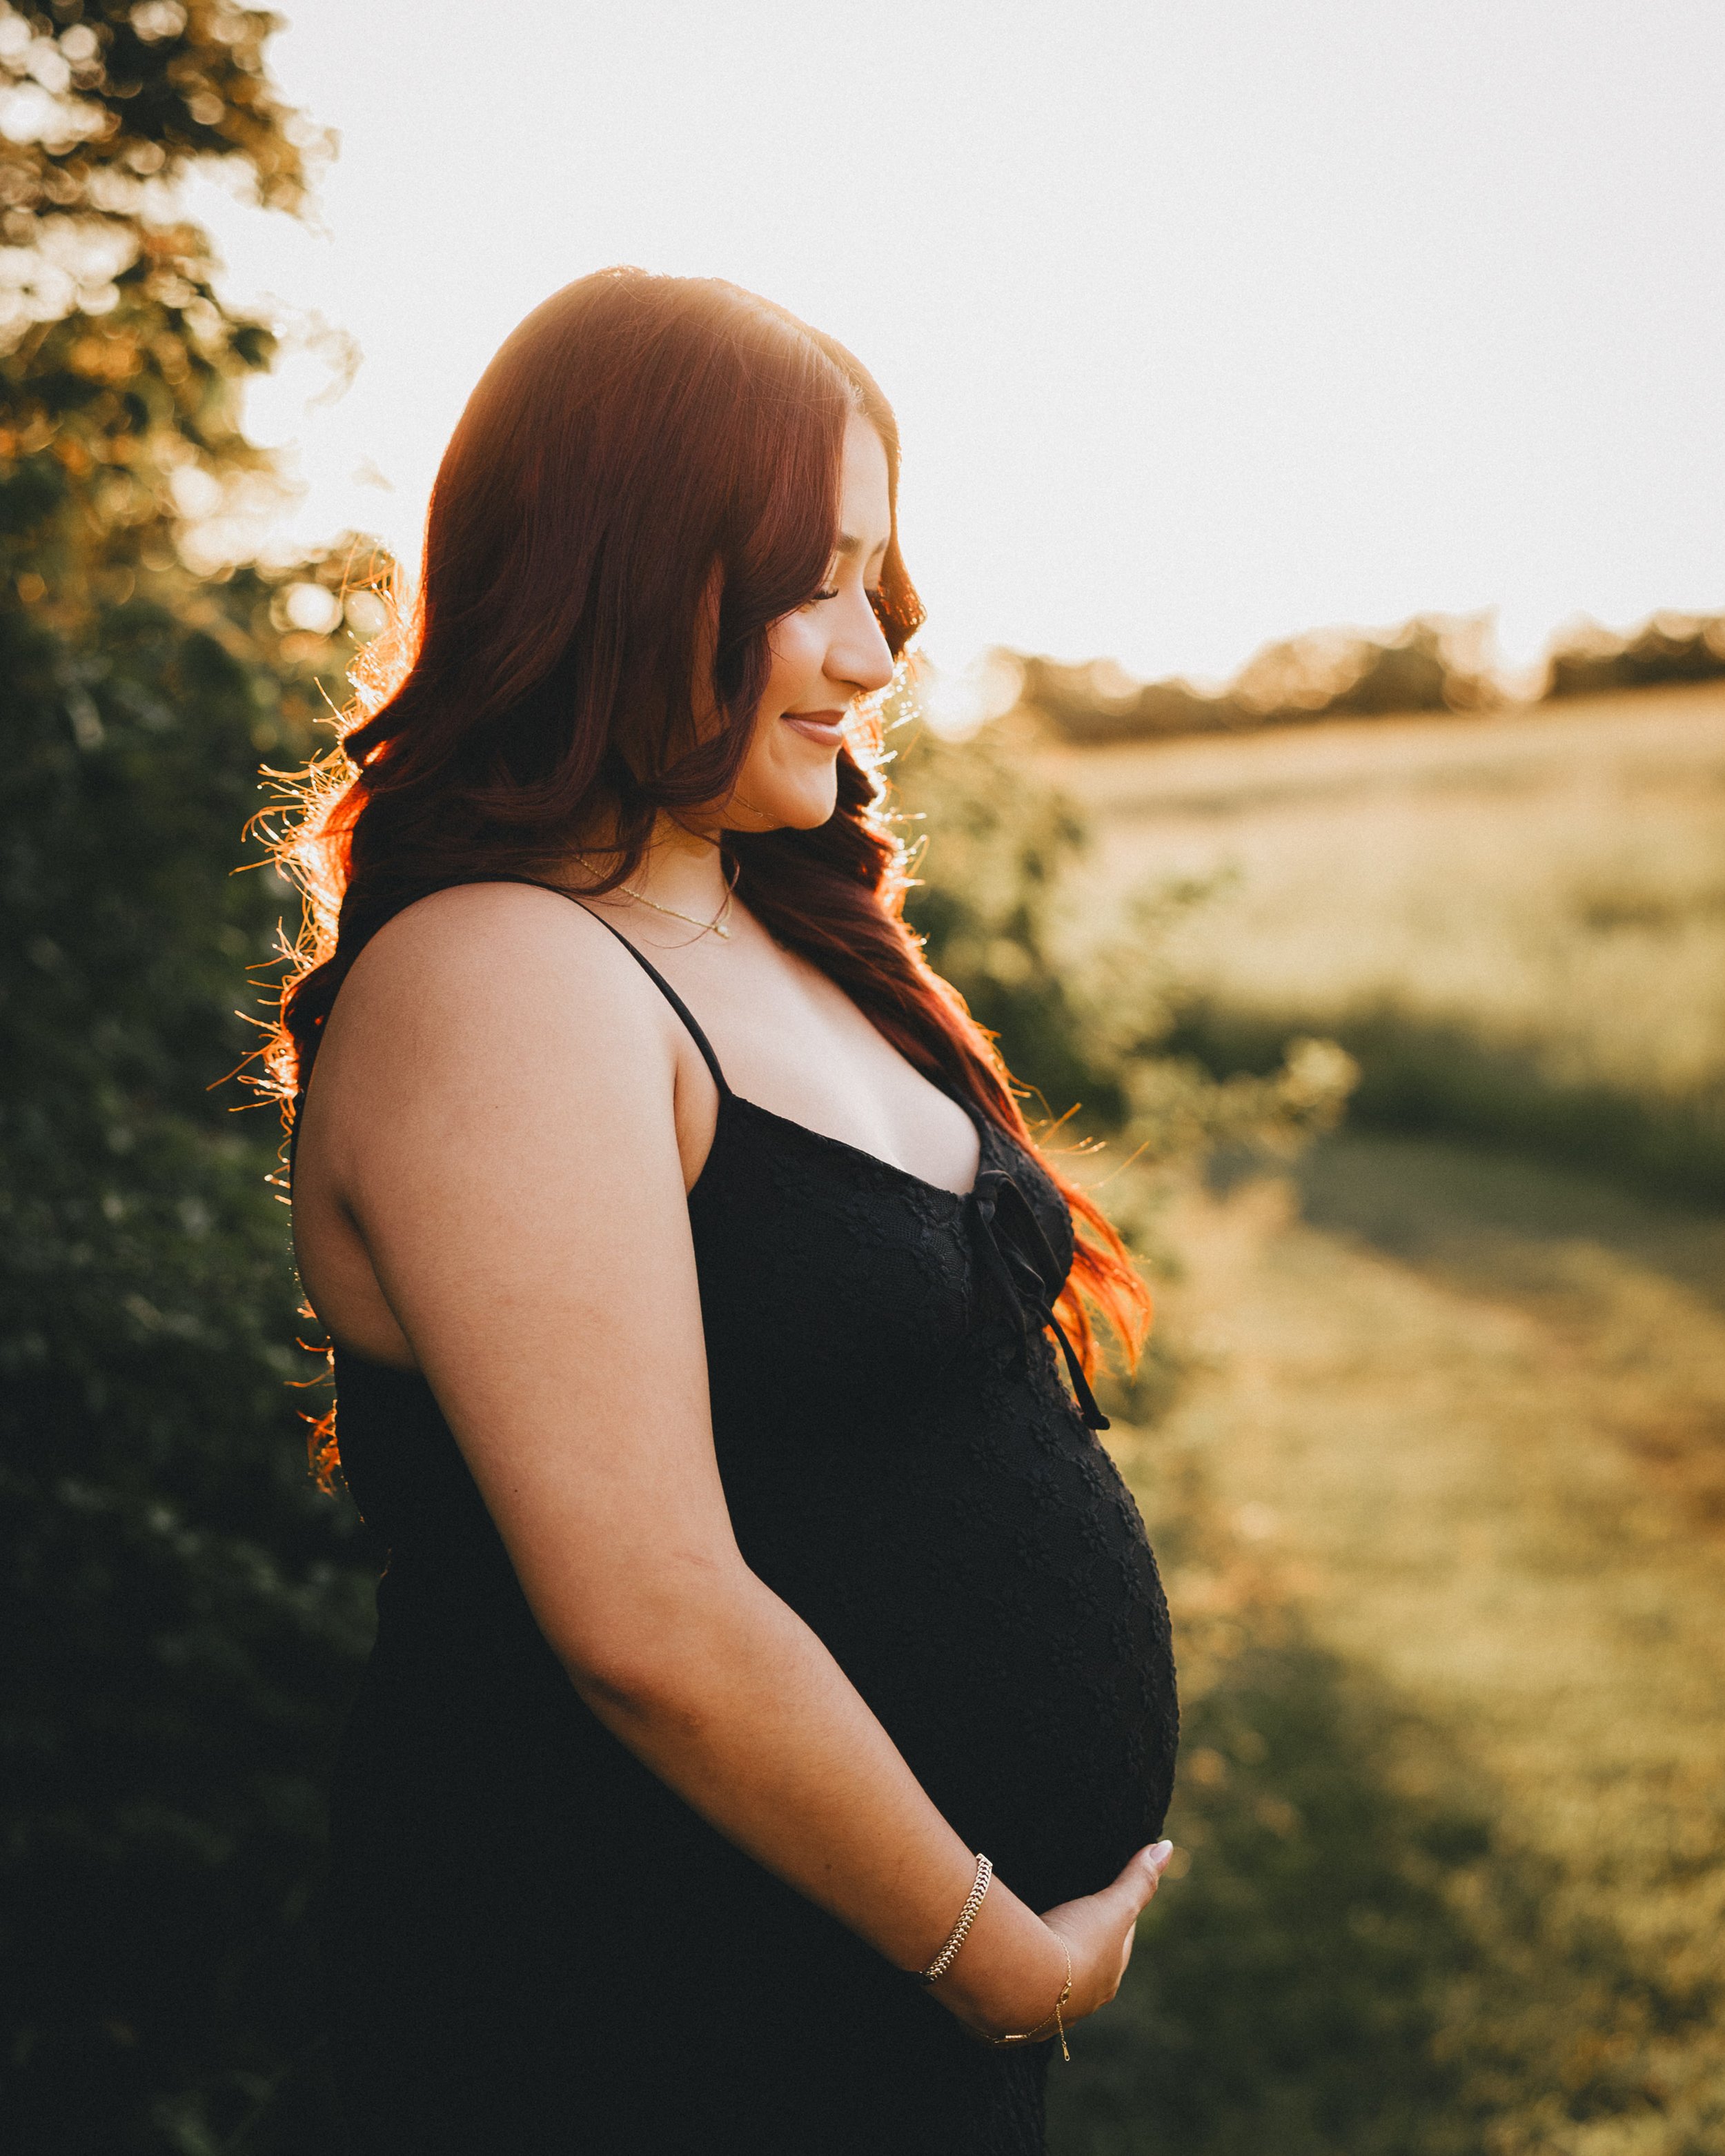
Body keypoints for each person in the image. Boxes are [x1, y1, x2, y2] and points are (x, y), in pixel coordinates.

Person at [275, 267, 1179, 2155]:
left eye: (883, 581)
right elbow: (648, 1613)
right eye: (814, 579)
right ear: (620, 572)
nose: (872, 653)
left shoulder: (770, 922)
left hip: (848, 1991)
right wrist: (987, 1962)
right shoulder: (497, 979)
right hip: (636, 2005)